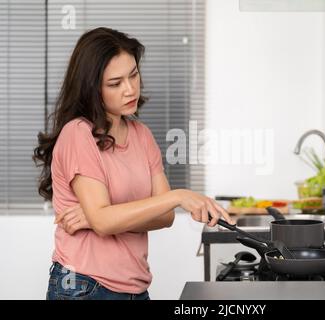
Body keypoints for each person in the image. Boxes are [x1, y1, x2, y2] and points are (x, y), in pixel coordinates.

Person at [32, 27, 233, 300]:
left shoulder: (142, 135)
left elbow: (165, 216)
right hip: (84, 286)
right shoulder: (79, 134)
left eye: (134, 75)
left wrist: (98, 217)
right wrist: (176, 196)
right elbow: (107, 220)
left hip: (135, 288)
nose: (130, 89)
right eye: (115, 83)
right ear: (92, 89)